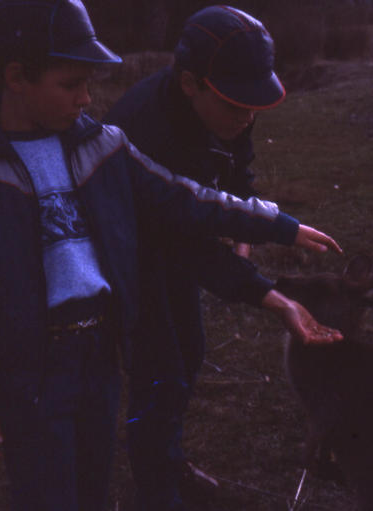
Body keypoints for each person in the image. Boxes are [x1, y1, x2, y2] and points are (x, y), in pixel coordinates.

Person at [0, 1, 342, 510]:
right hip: (28, 371)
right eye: (70, 83)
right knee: (46, 490)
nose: (87, 98)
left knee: (93, 480)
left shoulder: (103, 146)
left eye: (88, 82)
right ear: (16, 76)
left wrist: (276, 225)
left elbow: (188, 196)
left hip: (98, 355)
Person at [104, 6, 290, 509]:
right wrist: (258, 288)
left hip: (179, 238)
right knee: (158, 367)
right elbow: (183, 242)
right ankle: (155, 490)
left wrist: (239, 218)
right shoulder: (147, 128)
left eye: (253, 105)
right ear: (191, 83)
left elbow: (236, 172)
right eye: (235, 105)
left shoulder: (230, 113)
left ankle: (168, 456)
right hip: (132, 252)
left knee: (188, 349)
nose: (246, 117)